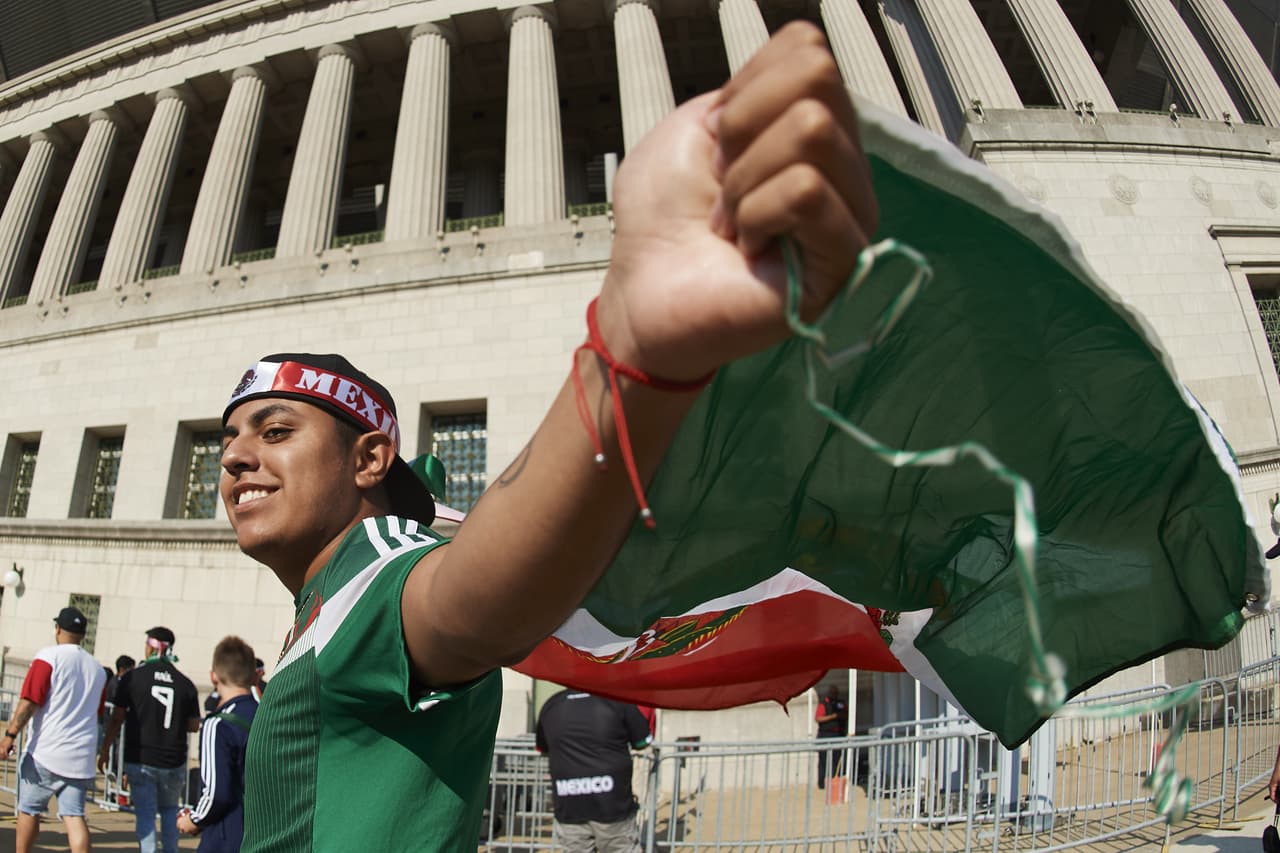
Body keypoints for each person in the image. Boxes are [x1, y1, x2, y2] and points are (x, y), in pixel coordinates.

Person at [218, 22, 876, 851]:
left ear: (371, 459)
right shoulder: (323, 600)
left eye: (275, 430)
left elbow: (471, 600)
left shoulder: (377, 577)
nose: (237, 454)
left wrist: (629, 358)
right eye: (231, 436)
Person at [0, 607, 107, 853]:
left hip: (45, 752)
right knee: (74, 817)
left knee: (28, 810)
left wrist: (10, 735)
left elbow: (29, 701)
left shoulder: (48, 657)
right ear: (82, 634)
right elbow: (97, 712)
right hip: (80, 757)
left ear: (58, 629)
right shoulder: (98, 669)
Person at [99, 626, 201, 853]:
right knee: (168, 811)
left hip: (141, 758)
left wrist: (105, 748)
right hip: (172, 761)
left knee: (145, 815)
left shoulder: (133, 678)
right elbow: (194, 725)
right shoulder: (185, 684)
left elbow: (116, 717)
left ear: (150, 647)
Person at [536, 690, 653, 852]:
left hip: (570, 804)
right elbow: (642, 742)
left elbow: (543, 748)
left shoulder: (552, 704)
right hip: (612, 805)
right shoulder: (617, 699)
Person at [177, 636, 259, 852]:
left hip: (227, 835)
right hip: (261, 830)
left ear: (214, 677)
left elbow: (216, 793)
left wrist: (194, 819)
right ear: (253, 675)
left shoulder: (217, 724)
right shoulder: (265, 715)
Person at [814, 684, 848, 790]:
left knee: (837, 760)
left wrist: (839, 716)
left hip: (838, 734)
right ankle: (823, 783)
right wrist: (832, 717)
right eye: (832, 692)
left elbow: (846, 714)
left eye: (835, 692)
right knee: (824, 760)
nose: (834, 694)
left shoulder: (841, 703)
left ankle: (836, 781)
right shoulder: (824, 704)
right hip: (825, 735)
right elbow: (818, 718)